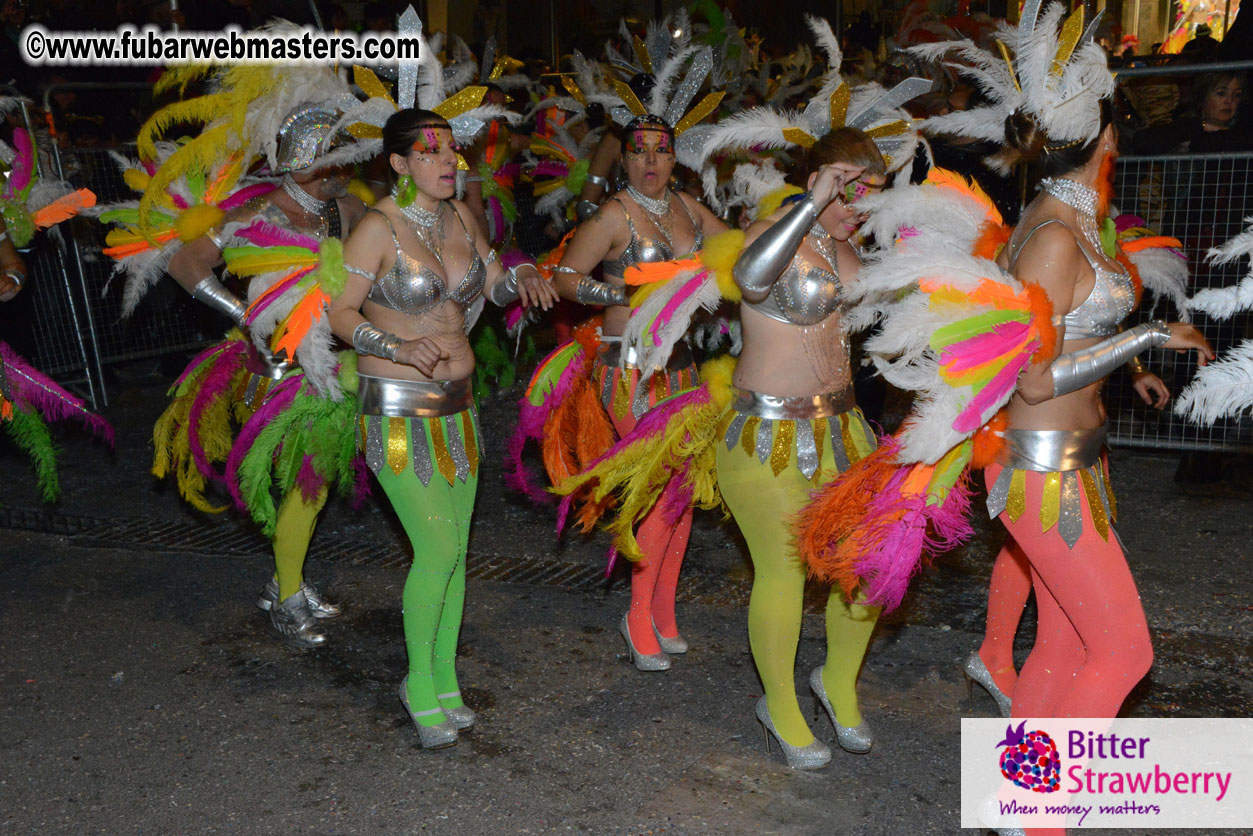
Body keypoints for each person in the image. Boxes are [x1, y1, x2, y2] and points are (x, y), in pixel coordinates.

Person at [329, 109, 556, 748]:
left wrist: (523, 276)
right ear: (399, 164)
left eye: (452, 151)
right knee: (434, 549)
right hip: (396, 408)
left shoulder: (459, 217)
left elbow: (494, 286)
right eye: (431, 153)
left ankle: (445, 676)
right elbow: (336, 312)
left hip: (458, 408)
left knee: (456, 550)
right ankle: (418, 683)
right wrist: (394, 347)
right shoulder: (377, 228)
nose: (449, 162)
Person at [718, 131, 887, 769]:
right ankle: (780, 704)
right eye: (844, 183)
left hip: (844, 433)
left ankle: (838, 685)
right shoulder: (773, 230)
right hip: (763, 437)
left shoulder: (853, 250)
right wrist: (810, 207)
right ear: (816, 176)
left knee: (869, 566)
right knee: (784, 571)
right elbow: (751, 281)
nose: (854, 200)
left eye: (867, 188)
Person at [551, 111, 729, 670]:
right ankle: (635, 613)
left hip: (683, 368)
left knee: (679, 495)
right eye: (639, 151)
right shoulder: (613, 215)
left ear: (675, 157)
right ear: (624, 158)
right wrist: (621, 285)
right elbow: (562, 278)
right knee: (660, 483)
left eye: (661, 150)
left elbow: (741, 250)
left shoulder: (688, 208)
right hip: (627, 371)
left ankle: (662, 611)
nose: (651, 161)